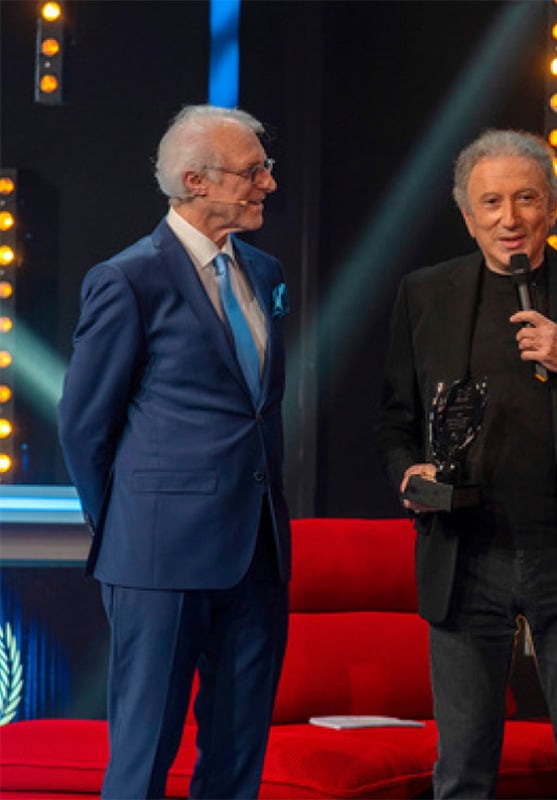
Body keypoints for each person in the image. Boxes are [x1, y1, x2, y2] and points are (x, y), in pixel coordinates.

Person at [376, 129, 557, 799]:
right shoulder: (426, 293)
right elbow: (395, 420)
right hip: (464, 552)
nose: (509, 218)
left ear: (554, 205)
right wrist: (409, 472)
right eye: (491, 202)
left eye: (527, 198)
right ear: (467, 215)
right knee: (462, 770)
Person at [58, 105, 291, 799]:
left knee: (237, 753)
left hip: (256, 549)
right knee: (144, 752)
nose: (268, 184)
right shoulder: (129, 278)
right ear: (196, 181)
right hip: (157, 555)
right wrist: (124, 522)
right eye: (253, 171)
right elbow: (83, 425)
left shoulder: (264, 270)